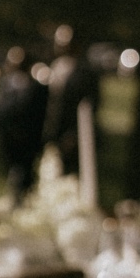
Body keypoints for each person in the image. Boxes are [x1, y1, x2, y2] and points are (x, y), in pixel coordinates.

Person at [44, 24, 100, 177]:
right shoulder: (56, 67)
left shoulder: (85, 72)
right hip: (53, 131)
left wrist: (73, 134)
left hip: (72, 135)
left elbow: (90, 105)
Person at [0, 46, 49, 198]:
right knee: (12, 172)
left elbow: (40, 115)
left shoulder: (37, 88)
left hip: (28, 139)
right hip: (9, 139)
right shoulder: (6, 85)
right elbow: (0, 111)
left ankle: (25, 198)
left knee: (25, 174)